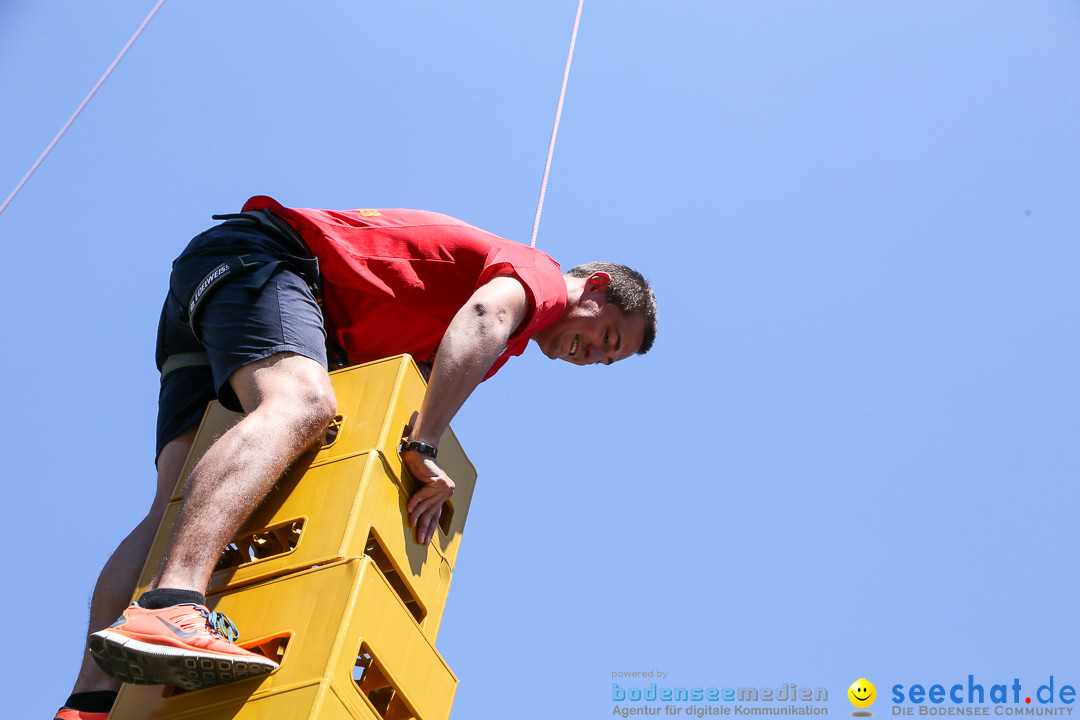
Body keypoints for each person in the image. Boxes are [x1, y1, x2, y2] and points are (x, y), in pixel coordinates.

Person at [54, 196, 658, 720]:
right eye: (608, 338)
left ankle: (89, 702)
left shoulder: (487, 343)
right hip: (267, 262)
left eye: (607, 362)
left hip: (217, 286)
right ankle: (174, 606)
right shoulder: (540, 280)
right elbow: (483, 316)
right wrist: (426, 443)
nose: (592, 358)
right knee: (302, 404)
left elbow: (395, 405)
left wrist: (422, 459)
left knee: (176, 503)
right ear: (597, 286)